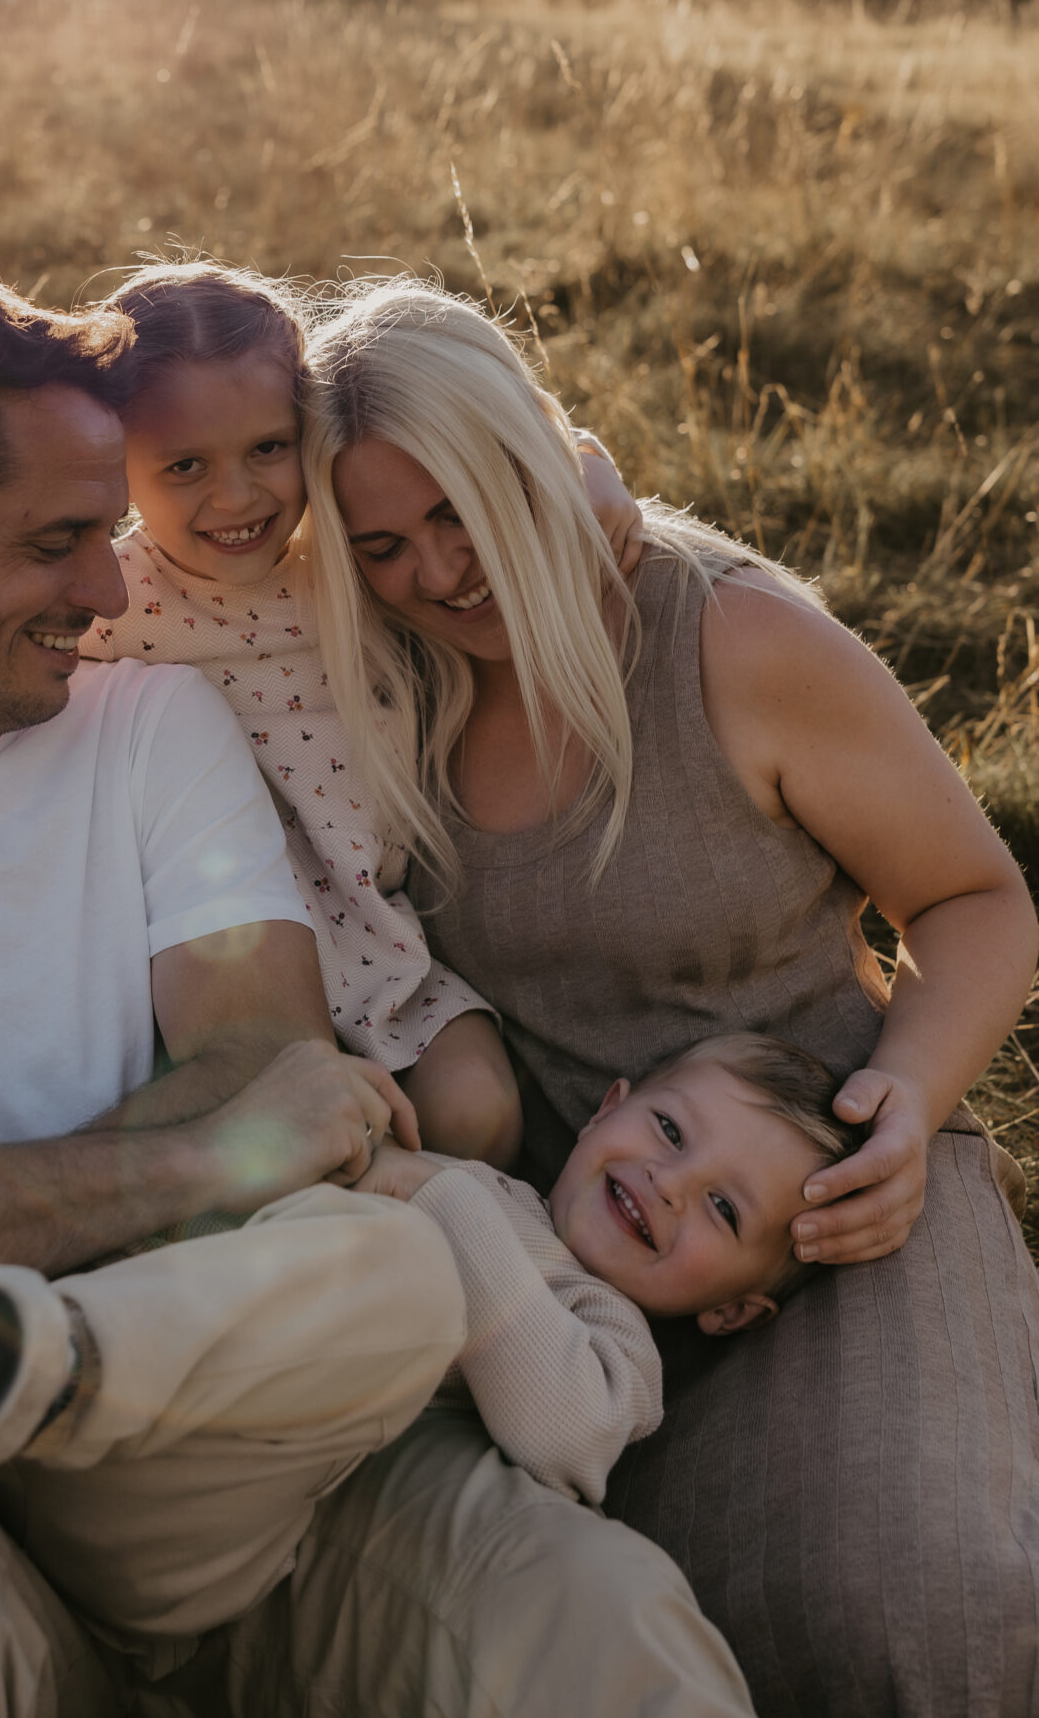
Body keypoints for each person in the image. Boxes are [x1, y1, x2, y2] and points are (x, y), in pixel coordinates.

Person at [0, 262, 755, 1718]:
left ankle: (39, 1373)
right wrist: (179, 1164)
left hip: (214, 1454)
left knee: (597, 1617)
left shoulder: (154, 723)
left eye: (110, 533)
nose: (113, 589)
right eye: (59, 542)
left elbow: (269, 1076)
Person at [301, 271, 1039, 1718]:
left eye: (463, 509)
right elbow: (134, 578)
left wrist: (906, 1108)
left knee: (917, 1603)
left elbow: (974, 904)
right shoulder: (372, 689)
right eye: (380, 544)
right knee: (586, 1637)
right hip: (569, 1255)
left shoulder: (728, 643)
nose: (437, 573)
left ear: (530, 452)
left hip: (834, 1201)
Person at [0, 258, 641, 1162]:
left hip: (379, 943)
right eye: (183, 466)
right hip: (196, 964)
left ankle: (484, 1252)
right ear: (118, 465)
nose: (237, 497)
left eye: (267, 448)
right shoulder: (109, 599)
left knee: (476, 1113)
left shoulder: (344, 564)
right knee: (285, 1146)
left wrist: (588, 470)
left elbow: (484, 477)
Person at [359, 1030, 862, 1508]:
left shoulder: (614, 1339)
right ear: (607, 1111)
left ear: (734, 1311)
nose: (668, 1183)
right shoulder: (489, 1182)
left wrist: (439, 1195)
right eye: (670, 1130)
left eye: (724, 1207)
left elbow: (564, 1437)